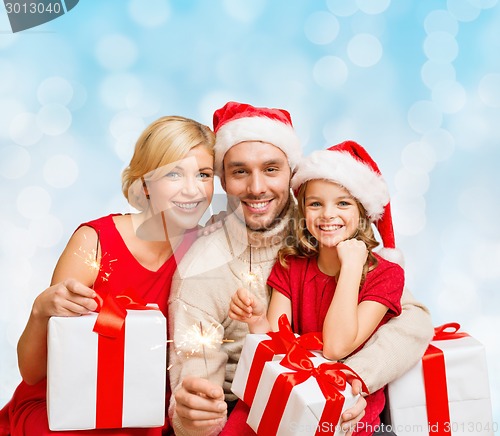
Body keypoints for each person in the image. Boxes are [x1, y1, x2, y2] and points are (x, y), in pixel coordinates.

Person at [168, 101, 433, 436]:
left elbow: (413, 318)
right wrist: (195, 415)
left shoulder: (326, 230)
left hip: (346, 401)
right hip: (257, 406)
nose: (256, 187)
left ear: (292, 173)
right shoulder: (202, 269)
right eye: (239, 171)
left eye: (271, 169)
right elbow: (197, 384)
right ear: (223, 179)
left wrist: (348, 381)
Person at [0, 115, 216, 436]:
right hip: (65, 414)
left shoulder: (207, 249)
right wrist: (40, 310)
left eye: (204, 174)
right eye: (174, 173)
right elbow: (33, 374)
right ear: (145, 183)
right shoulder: (95, 242)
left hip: (144, 418)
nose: (192, 189)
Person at [230, 140, 406, 436]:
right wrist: (256, 320)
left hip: (349, 406)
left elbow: (336, 347)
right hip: (294, 393)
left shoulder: (386, 275)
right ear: (303, 210)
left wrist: (350, 267)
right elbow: (275, 349)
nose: (327, 214)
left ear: (362, 211)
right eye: (315, 203)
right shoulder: (292, 265)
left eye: (343, 203)